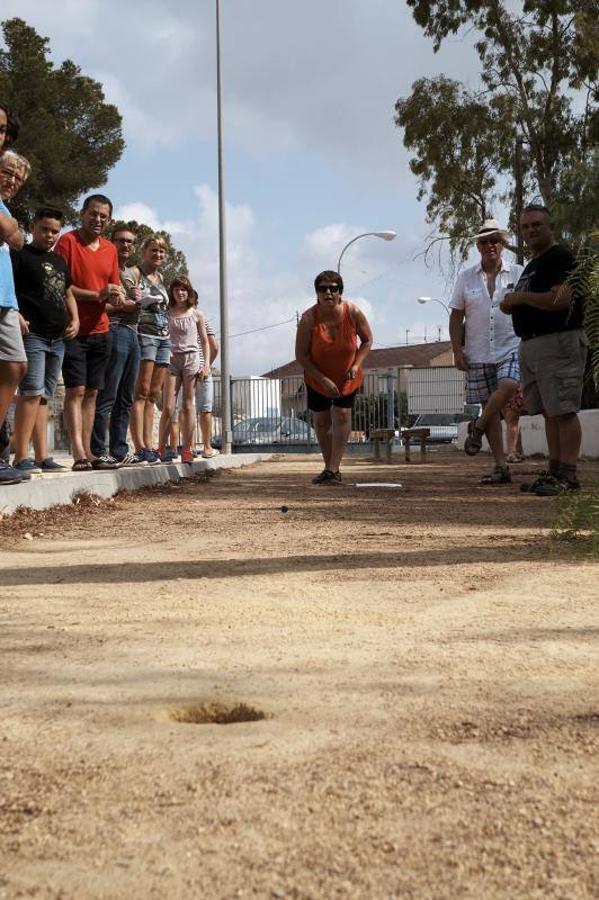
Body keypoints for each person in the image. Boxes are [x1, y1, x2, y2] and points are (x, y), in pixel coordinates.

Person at [500, 204, 586, 496]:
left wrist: (520, 297)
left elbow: (561, 299)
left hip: (557, 341)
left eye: (536, 224)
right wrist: (511, 303)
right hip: (532, 344)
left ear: (550, 226)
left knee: (563, 410)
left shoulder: (559, 257)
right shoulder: (534, 264)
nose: (531, 230)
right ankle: (554, 473)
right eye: (525, 227)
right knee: (549, 411)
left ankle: (569, 476)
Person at [450, 218, 523, 484]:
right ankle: (500, 466)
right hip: (478, 351)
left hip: (511, 345)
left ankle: (477, 427)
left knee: (508, 384)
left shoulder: (518, 272)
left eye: (495, 240)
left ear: (502, 244)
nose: (490, 245)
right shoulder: (465, 277)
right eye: (484, 241)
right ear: (478, 246)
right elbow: (456, 316)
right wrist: (457, 350)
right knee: (489, 408)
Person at [55, 194, 124, 471]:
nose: (97, 219)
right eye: (93, 213)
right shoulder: (67, 242)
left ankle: (91, 453)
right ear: (82, 213)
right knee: (76, 391)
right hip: (73, 330)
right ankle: (78, 455)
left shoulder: (110, 249)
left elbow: (112, 290)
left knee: (93, 393)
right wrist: (98, 294)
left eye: (103, 216)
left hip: (102, 330)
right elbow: (61, 286)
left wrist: (117, 298)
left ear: (109, 220)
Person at [10, 207, 79, 474]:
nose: (50, 235)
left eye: (55, 231)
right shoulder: (20, 257)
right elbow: (8, 288)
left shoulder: (60, 261)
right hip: (34, 335)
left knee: (44, 398)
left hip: (57, 338)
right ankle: (20, 457)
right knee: (31, 393)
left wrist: (75, 319)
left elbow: (68, 292)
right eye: (44, 229)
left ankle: (42, 456)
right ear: (32, 227)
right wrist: (15, 314)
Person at [295, 269, 372, 485]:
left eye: (333, 288)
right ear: (317, 293)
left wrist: (357, 364)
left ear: (340, 292)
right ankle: (330, 468)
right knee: (321, 421)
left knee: (342, 415)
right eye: (323, 289)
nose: (328, 292)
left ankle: (334, 467)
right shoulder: (309, 319)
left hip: (347, 376)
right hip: (317, 377)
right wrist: (322, 380)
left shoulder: (353, 312)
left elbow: (367, 341)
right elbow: (301, 355)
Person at [90, 226, 142, 466]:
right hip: (113, 329)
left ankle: (120, 449)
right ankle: (98, 450)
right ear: (112, 243)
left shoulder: (131, 274)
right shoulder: (104, 268)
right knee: (108, 394)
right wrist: (125, 305)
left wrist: (139, 300)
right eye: (121, 241)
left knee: (126, 397)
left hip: (133, 333)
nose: (126, 246)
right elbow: (99, 304)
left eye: (131, 242)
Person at [0, 148, 30, 485]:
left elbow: (17, 239)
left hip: (6, 301)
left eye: (18, 179)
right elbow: (12, 233)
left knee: (14, 366)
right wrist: (12, 229)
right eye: (8, 173)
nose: (13, 182)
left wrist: (16, 309)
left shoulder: (5, 206)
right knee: (13, 366)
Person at [158, 277, 209, 464]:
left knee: (188, 405)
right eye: (177, 289)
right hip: (172, 361)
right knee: (169, 406)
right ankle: (160, 447)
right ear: (172, 292)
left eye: (184, 290)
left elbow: (204, 341)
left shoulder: (197, 315)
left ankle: (187, 449)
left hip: (191, 360)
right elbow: (162, 335)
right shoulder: (166, 313)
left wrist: (206, 366)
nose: (180, 293)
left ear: (189, 292)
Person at [127, 235, 169, 464]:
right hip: (144, 335)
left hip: (164, 338)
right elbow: (129, 299)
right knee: (141, 392)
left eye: (162, 251)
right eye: (154, 250)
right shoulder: (134, 273)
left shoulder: (161, 277)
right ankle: (140, 446)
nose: (158, 255)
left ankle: (150, 445)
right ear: (143, 251)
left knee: (154, 394)